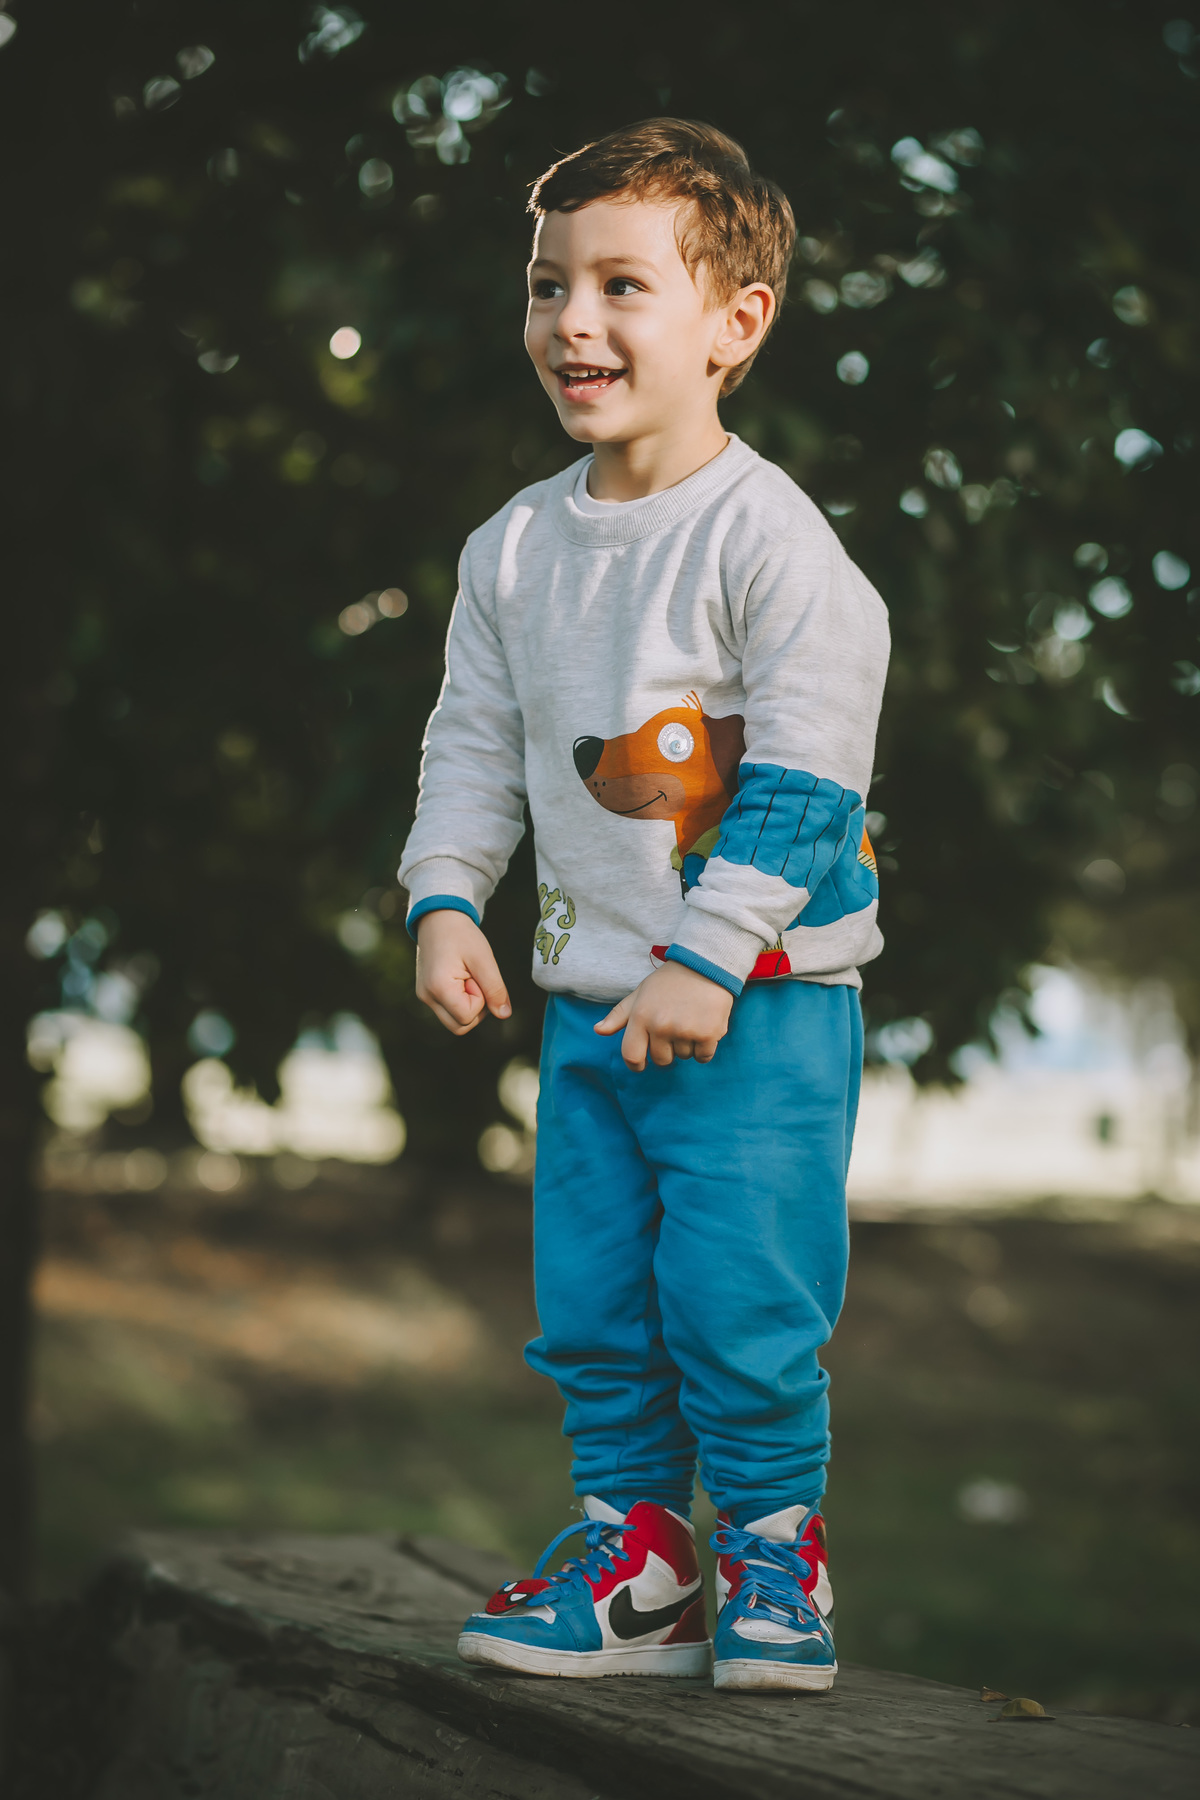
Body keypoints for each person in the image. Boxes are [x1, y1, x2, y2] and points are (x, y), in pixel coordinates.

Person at [398, 118, 889, 1692]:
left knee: (744, 1296)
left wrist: (708, 954)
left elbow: (810, 781)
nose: (574, 322)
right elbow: (475, 740)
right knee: (597, 1302)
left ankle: (768, 1549)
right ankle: (640, 1560)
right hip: (593, 1003)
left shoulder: (771, 542)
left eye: (622, 284)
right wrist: (445, 896)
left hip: (761, 1005)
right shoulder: (518, 547)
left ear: (737, 322)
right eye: (549, 286)